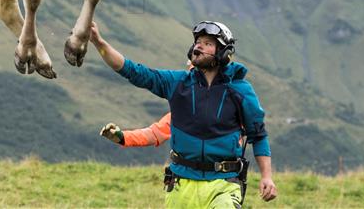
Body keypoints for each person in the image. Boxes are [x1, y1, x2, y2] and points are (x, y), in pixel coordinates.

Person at [90, 19, 278, 208]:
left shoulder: (241, 92)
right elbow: (134, 72)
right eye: (197, 42)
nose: (199, 46)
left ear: (223, 52)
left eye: (207, 43)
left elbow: (258, 135)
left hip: (223, 185)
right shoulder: (177, 83)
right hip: (180, 185)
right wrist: (99, 43)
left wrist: (267, 177)